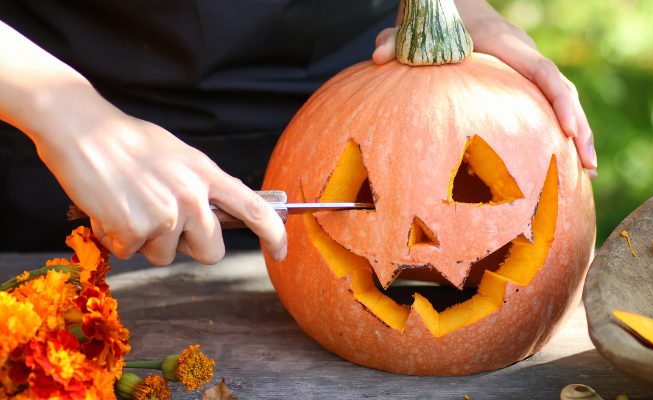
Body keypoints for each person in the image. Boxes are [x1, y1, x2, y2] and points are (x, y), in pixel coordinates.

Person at [0, 0, 596, 267]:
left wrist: (451, 6)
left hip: (356, 85)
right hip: (59, 130)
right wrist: (63, 112)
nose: (421, 234)